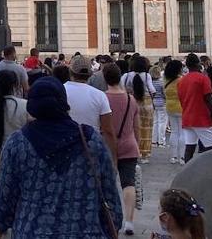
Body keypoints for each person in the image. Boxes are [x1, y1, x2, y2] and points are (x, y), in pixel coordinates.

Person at [0, 77, 124, 239]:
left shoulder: (17, 144)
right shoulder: (91, 140)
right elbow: (111, 200)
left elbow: (3, 206)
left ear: (31, 106)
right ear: (64, 103)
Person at [102, 63, 141, 236]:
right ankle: (129, 222)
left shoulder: (102, 98)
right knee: (128, 183)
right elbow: (136, 126)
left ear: (105, 78)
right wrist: (137, 145)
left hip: (106, 147)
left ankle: (107, 218)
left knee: (105, 184)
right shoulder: (131, 99)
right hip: (128, 144)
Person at [66, 54, 118, 158]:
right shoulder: (100, 96)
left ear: (70, 72)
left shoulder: (60, 91)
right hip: (92, 148)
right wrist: (113, 159)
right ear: (90, 74)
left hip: (66, 146)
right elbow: (107, 130)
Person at [177, 54, 212, 164]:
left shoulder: (181, 81)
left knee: (189, 148)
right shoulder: (203, 78)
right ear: (198, 64)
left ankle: (187, 170)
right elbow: (209, 99)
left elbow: (181, 100)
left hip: (187, 117)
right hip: (202, 118)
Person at [122, 55, 154, 162]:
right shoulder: (147, 76)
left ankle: (134, 151)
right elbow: (152, 90)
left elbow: (122, 88)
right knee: (146, 129)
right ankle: (144, 153)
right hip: (146, 104)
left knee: (132, 127)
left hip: (131, 102)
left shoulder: (127, 76)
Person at [163, 59, 184, 164]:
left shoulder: (166, 79)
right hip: (180, 107)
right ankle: (182, 157)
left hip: (169, 106)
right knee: (182, 132)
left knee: (174, 131)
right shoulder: (181, 80)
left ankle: (173, 156)